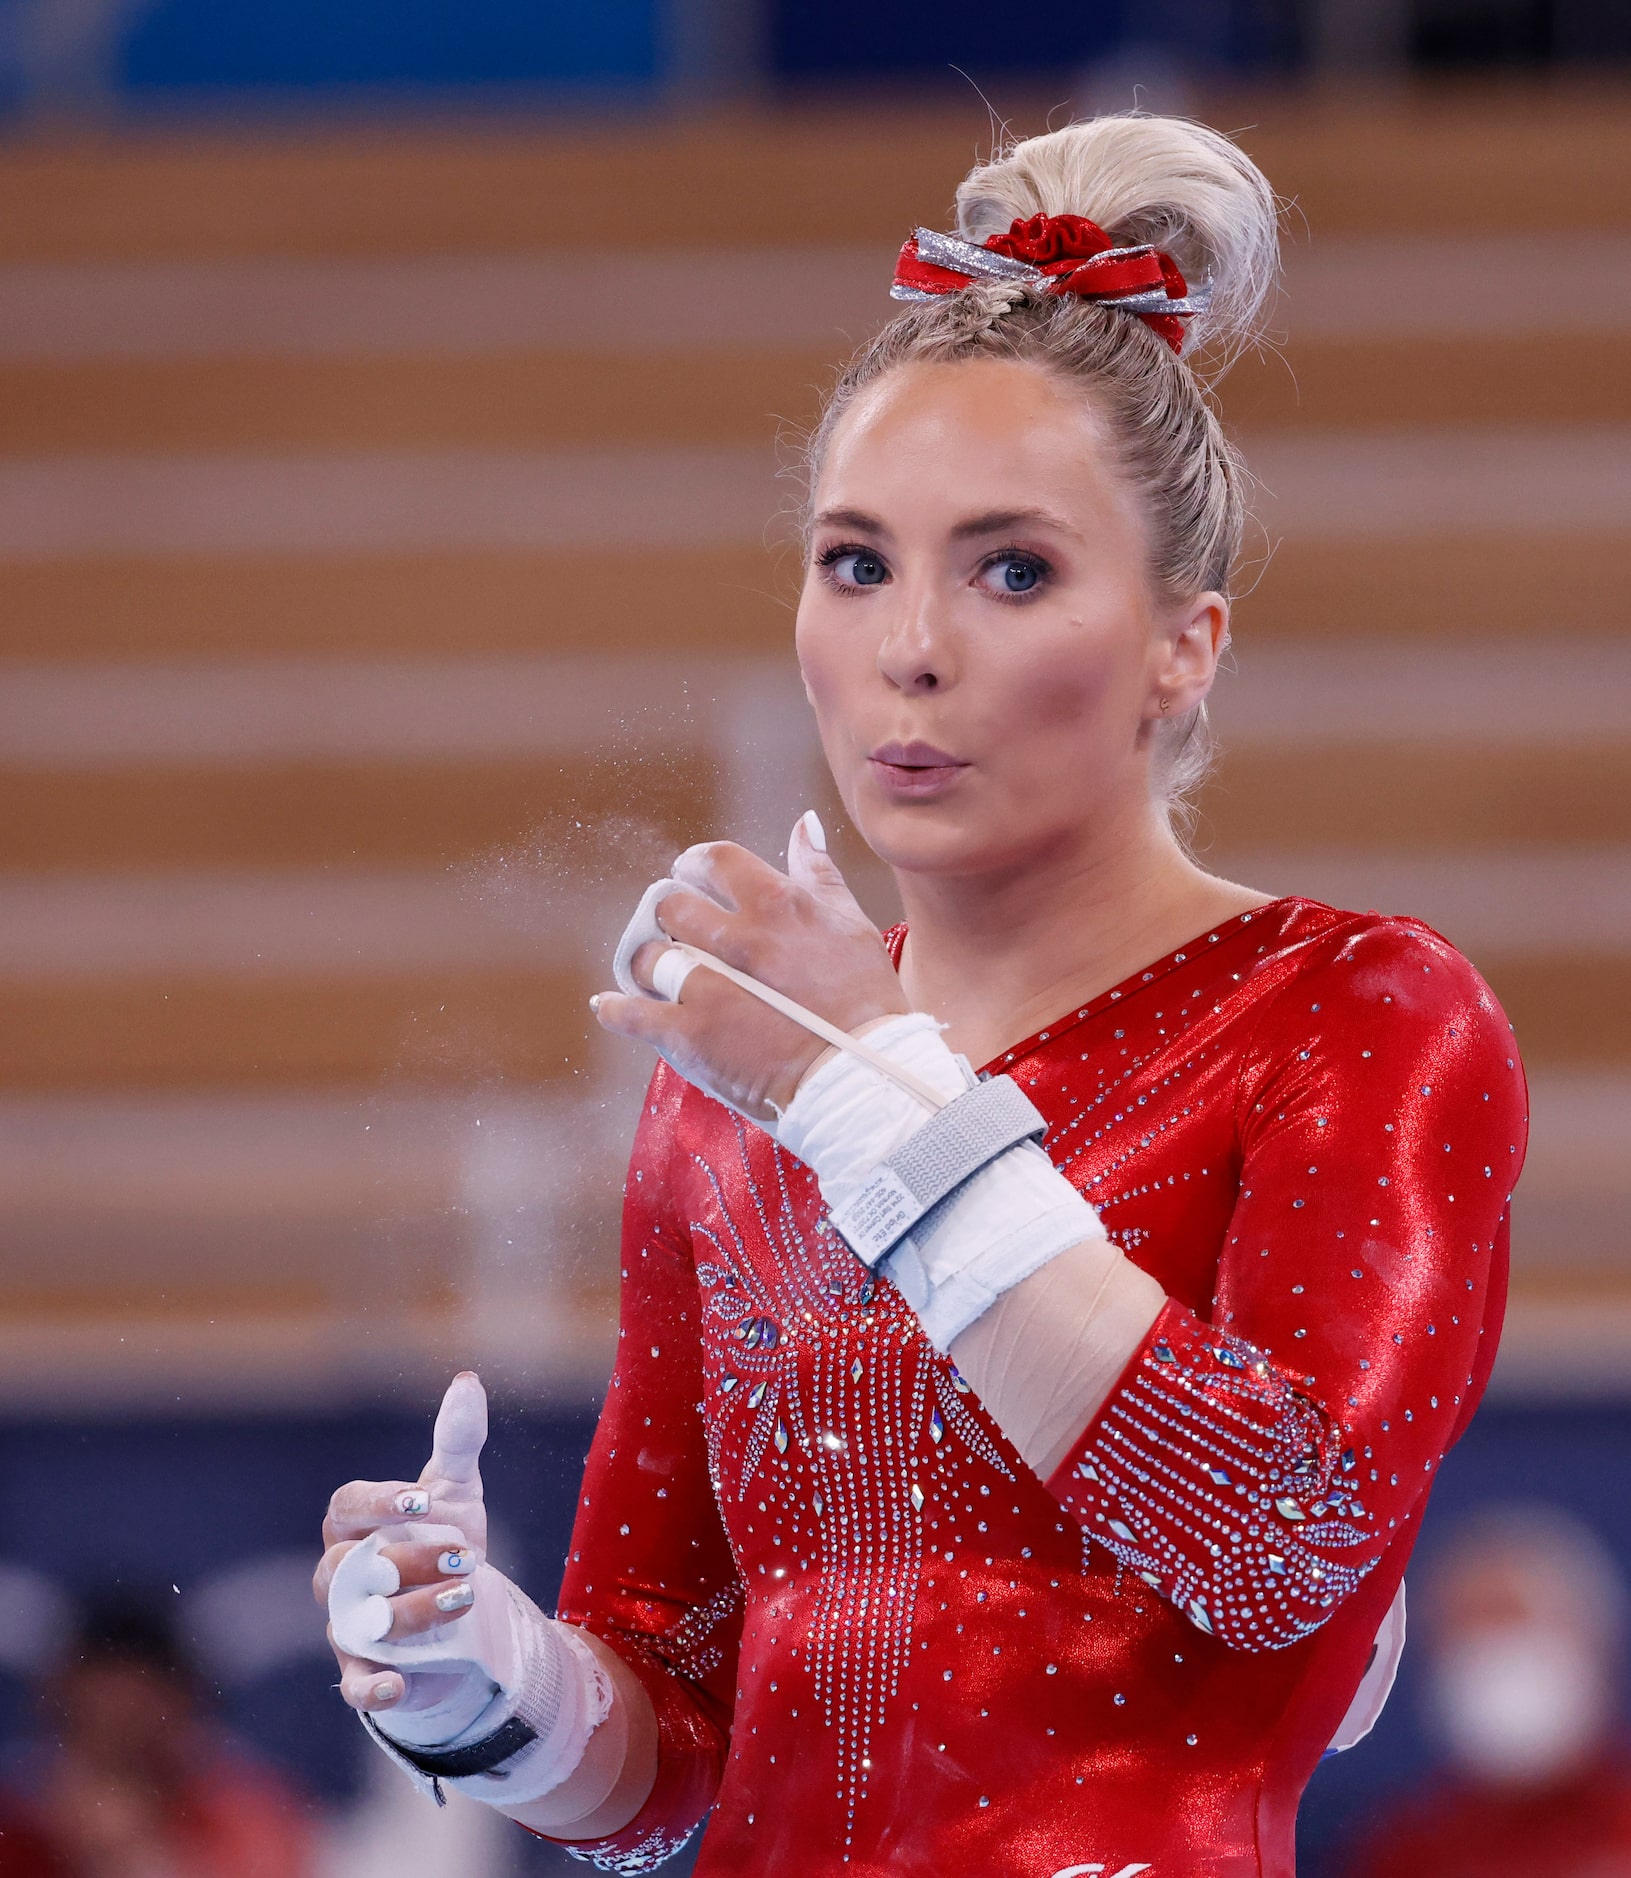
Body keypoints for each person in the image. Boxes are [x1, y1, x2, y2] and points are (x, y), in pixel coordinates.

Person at [313, 112, 1528, 1874]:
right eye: (856, 559)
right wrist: (473, 1679)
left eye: (1013, 568)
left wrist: (866, 1094)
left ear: (1183, 646)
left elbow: (1276, 1543)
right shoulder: (735, 1076)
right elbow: (678, 1741)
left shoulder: (1355, 1013)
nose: (911, 646)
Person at [1337, 1509, 1631, 1878]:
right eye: (1466, 1634)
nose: (1491, 1659)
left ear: (1594, 1642)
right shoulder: (1406, 1851)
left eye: (1511, 1622)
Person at [8, 1595, 313, 1878]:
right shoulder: (15, 1820)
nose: (121, 1731)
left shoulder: (247, 1817)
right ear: (59, 1703)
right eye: (102, 1710)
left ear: (184, 1706)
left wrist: (140, 1857)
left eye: (138, 1711)